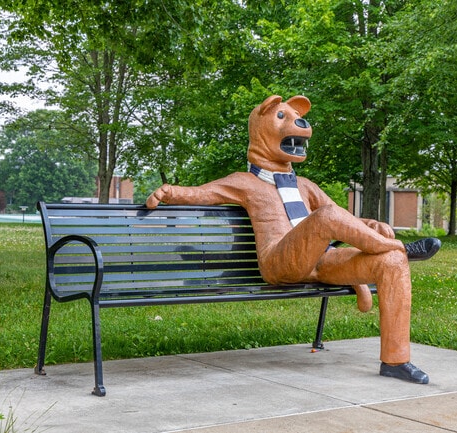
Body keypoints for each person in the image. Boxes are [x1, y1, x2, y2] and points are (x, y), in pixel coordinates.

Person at [147, 95, 440, 384]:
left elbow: (341, 219)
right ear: (260, 128)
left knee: (392, 262)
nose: (296, 122)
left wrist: (369, 224)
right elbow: (203, 193)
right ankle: (403, 246)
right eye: (281, 117)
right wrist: (169, 192)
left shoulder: (305, 185)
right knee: (330, 218)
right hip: (280, 262)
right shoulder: (244, 182)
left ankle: (396, 360)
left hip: (321, 261)